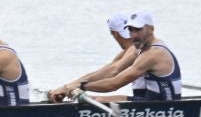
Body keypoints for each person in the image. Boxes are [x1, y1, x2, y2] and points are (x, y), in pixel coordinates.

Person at [52, 12, 182, 102]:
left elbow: (113, 82)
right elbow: (109, 70)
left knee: (99, 100)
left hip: (163, 110)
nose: (133, 35)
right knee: (96, 100)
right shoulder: (140, 49)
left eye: (138, 30)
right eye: (131, 30)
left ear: (151, 29)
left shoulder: (153, 53)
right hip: (146, 103)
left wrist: (80, 86)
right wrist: (70, 86)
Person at [46, 13, 141, 102]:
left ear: (114, 33)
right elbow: (103, 71)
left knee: (98, 100)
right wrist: (67, 87)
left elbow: (113, 72)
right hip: (143, 101)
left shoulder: (136, 50)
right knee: (96, 99)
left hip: (149, 104)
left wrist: (77, 86)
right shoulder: (127, 51)